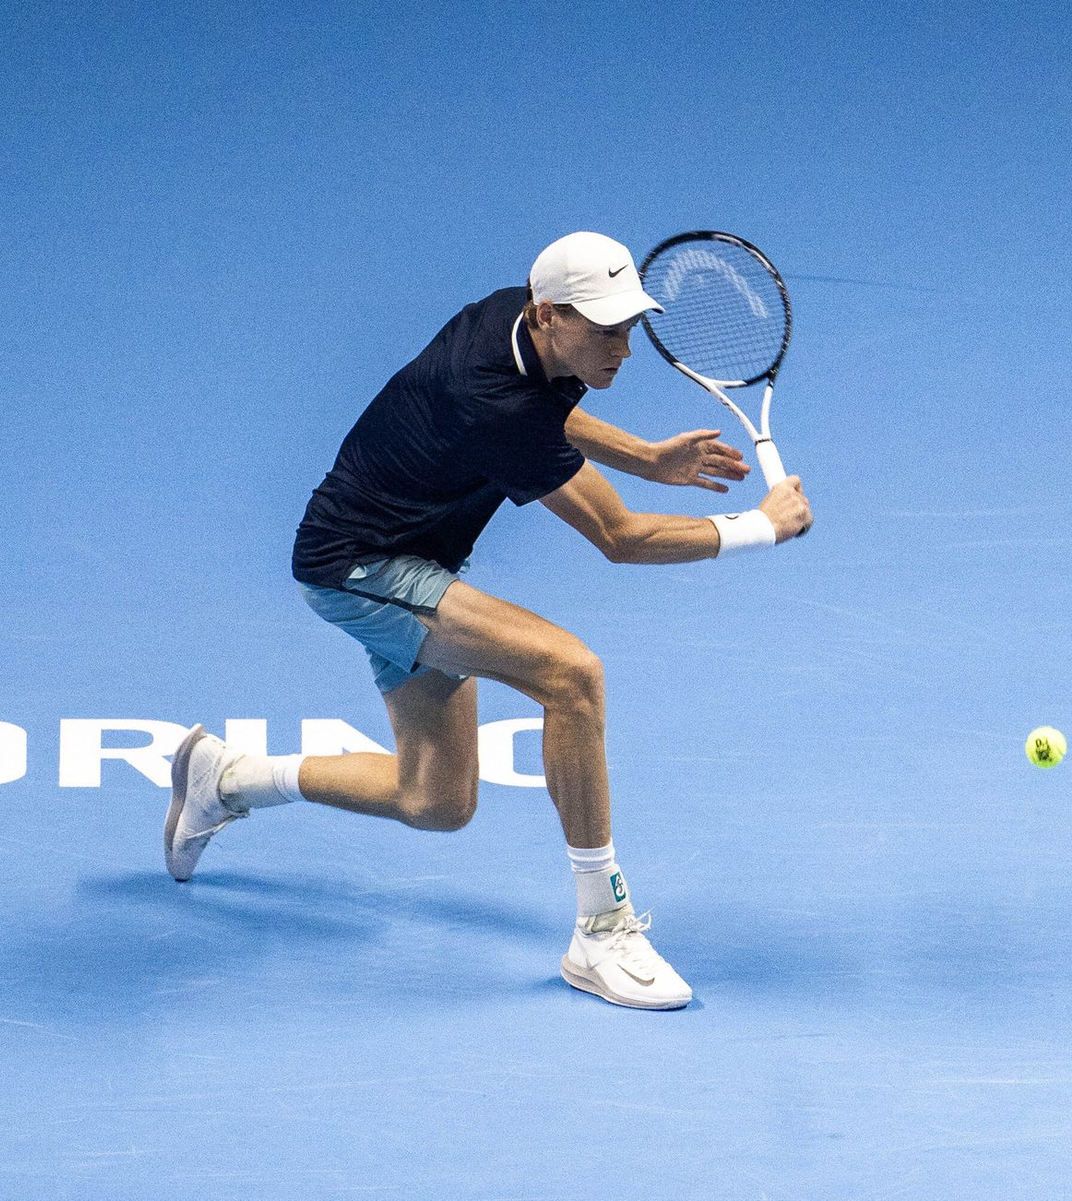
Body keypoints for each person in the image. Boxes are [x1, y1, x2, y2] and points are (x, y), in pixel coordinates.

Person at [164, 231, 812, 1010]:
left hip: (415, 553)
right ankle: (602, 930)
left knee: (435, 800)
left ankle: (224, 778)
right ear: (550, 314)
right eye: (606, 330)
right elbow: (620, 537)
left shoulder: (514, 322)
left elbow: (549, 414)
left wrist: (646, 458)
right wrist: (761, 525)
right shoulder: (491, 399)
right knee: (572, 675)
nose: (623, 350)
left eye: (630, 327)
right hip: (359, 568)